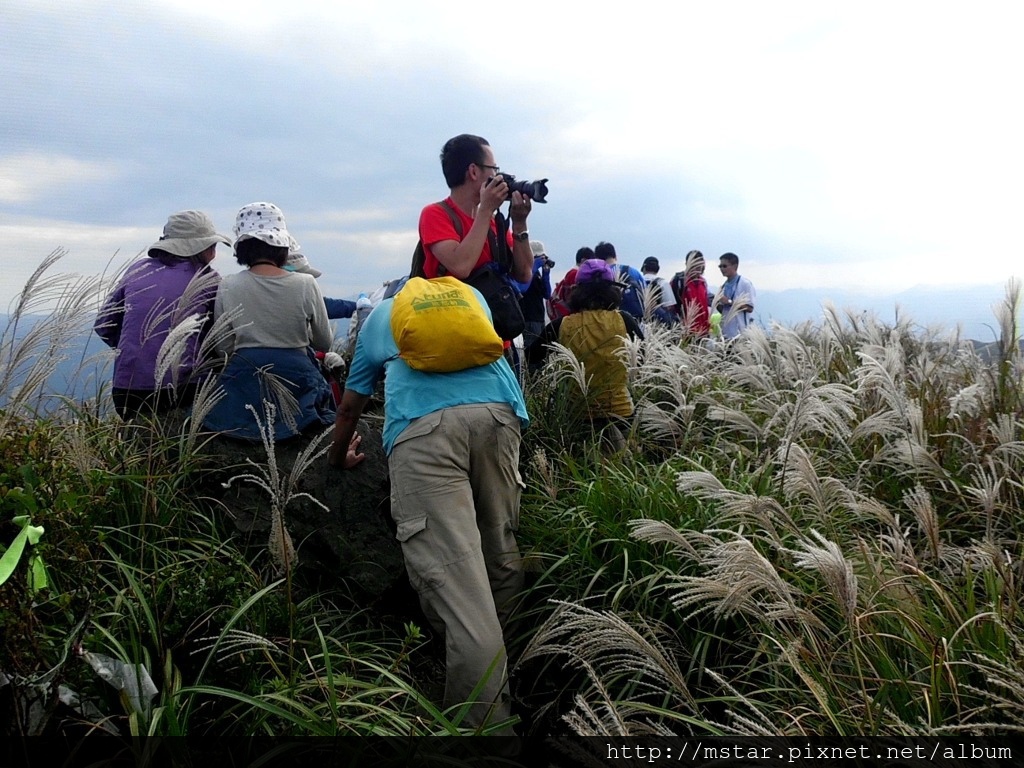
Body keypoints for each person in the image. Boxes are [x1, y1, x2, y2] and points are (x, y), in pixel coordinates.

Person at [327, 285, 529, 732]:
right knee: (500, 554)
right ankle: (518, 674)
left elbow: (349, 408)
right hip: (499, 418)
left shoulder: (384, 313)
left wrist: (337, 457)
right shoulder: (471, 297)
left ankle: (486, 736)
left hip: (426, 431)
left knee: (459, 588)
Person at [202, 202, 335, 441]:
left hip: (244, 378)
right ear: (283, 244)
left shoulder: (228, 285)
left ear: (242, 247)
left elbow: (224, 348)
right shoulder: (306, 283)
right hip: (298, 376)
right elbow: (324, 342)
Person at [94, 210, 228, 419]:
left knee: (137, 447)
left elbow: (104, 326)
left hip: (126, 390)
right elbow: (222, 340)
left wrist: (140, 348)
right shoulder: (208, 279)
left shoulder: (138, 269)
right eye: (213, 246)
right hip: (183, 390)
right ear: (202, 248)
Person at [525, 259, 643, 447]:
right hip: (620, 414)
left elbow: (531, 356)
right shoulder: (624, 320)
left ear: (577, 291)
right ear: (612, 290)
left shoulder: (563, 325)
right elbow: (643, 357)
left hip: (578, 416)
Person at [417, 133, 534, 287]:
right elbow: (461, 267)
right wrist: (485, 210)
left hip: (491, 310)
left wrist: (519, 224)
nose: (497, 176)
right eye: (494, 168)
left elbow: (524, 274)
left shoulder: (492, 221)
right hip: (453, 309)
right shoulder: (434, 214)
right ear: (473, 171)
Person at [595, 241, 645, 321]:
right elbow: (644, 293)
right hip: (635, 319)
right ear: (615, 256)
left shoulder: (598, 276)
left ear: (597, 259)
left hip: (609, 321)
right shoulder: (633, 271)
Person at [713, 252, 756, 339]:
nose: (721, 269)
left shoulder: (745, 284)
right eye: (720, 266)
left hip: (740, 332)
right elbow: (724, 310)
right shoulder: (723, 286)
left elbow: (750, 308)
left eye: (724, 266)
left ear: (735, 266)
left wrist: (729, 302)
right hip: (726, 333)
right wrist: (717, 303)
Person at [521, 240, 553, 350]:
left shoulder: (537, 274)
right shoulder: (525, 271)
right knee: (532, 350)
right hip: (529, 318)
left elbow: (547, 294)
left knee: (541, 349)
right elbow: (523, 288)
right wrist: (533, 268)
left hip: (539, 318)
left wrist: (546, 275)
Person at [675, 250, 710, 338]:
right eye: (695, 263)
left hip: (703, 331)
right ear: (687, 264)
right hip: (686, 331)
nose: (698, 266)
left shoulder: (702, 282)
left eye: (700, 263)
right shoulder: (679, 281)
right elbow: (672, 307)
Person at [640, 256, 678, 326]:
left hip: (640, 321)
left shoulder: (638, 281)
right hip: (658, 324)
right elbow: (669, 306)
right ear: (657, 269)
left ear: (644, 268)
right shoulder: (663, 283)